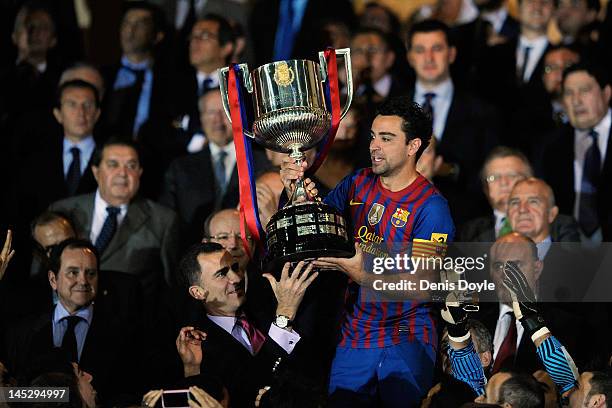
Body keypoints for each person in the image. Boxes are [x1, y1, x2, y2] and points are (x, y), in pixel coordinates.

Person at [282, 97, 455, 407]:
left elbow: (420, 283)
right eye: (373, 136)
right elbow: (318, 231)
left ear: (413, 145)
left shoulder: (432, 209)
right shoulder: (357, 183)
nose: (374, 145)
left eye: (386, 139)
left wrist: (362, 272)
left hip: (406, 335)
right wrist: (295, 192)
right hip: (356, 334)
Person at [176, 242, 318, 407]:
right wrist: (284, 316)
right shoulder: (198, 346)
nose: (236, 278)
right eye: (222, 274)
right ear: (198, 292)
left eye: (235, 267)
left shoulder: (268, 305)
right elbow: (255, 387)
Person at [3, 239, 140, 406]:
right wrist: (65, 397)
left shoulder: (122, 332)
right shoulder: (22, 332)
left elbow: (130, 392)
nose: (83, 281)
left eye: (91, 273)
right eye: (73, 272)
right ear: (53, 279)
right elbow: (8, 395)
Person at [50, 139, 180, 311]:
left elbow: (172, 288)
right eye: (113, 164)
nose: (123, 173)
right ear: (96, 171)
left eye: (131, 166)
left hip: (129, 325)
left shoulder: (163, 220)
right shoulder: (63, 211)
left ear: (140, 172)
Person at [406, 19, 500, 223]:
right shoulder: (387, 110)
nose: (429, 58)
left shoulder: (483, 112)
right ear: (410, 57)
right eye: (420, 50)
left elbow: (488, 175)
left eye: (437, 48)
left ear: (451, 54)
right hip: (395, 228)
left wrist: (447, 170)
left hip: (461, 226)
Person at [159, 89, 270, 246]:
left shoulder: (262, 162)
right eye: (211, 112)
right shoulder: (180, 168)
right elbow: (168, 222)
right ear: (201, 118)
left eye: (225, 111)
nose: (217, 120)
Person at [539, 61, 612, 243]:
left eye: (585, 90)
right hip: (569, 249)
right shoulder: (551, 145)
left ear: (606, 93)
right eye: (569, 93)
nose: (576, 101)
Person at [19, 80, 100, 227]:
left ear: (97, 113)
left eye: (87, 105)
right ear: (58, 114)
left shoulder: (110, 157)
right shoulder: (35, 157)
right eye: (72, 104)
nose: (81, 113)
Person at [459, 147, 578, 243]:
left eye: (512, 175)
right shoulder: (471, 231)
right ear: (485, 187)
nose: (504, 183)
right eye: (494, 177)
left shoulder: (559, 224)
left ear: (530, 180)